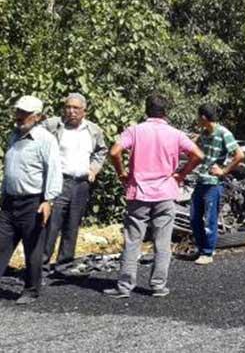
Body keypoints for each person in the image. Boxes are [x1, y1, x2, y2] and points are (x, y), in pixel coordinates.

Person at [103, 95, 203, 298]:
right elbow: (199, 155)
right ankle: (158, 285)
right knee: (162, 241)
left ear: (146, 110)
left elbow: (114, 152)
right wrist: (182, 174)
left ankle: (124, 286)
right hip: (165, 192)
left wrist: (122, 173)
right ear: (166, 112)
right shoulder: (175, 134)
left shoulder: (135, 131)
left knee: (132, 240)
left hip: (139, 192)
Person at [0, 95, 62, 304]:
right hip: (9, 202)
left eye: (25, 113)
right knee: (2, 244)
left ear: (37, 117)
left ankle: (31, 290)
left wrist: (49, 200)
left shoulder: (45, 139)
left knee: (33, 247)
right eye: (18, 111)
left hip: (33, 202)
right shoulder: (13, 136)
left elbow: (53, 170)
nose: (20, 116)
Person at [42, 93, 107, 277]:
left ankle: (63, 264)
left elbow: (101, 151)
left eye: (76, 108)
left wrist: (94, 169)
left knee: (72, 224)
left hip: (81, 184)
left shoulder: (93, 130)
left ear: (84, 111)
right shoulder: (53, 125)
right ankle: (42, 266)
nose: (71, 111)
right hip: (59, 182)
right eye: (68, 107)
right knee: (51, 225)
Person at [190, 104, 244, 265]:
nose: (197, 120)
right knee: (194, 217)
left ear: (204, 118)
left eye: (198, 117)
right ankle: (201, 249)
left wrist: (224, 171)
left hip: (214, 183)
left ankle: (208, 252)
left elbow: (239, 155)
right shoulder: (204, 132)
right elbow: (196, 145)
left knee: (210, 219)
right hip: (201, 180)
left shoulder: (224, 133)